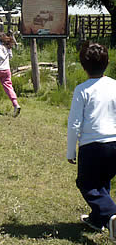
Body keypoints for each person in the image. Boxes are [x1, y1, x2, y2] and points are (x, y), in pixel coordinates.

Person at [67, 41, 116, 239]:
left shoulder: (82, 90)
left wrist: (71, 151)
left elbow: (74, 124)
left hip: (92, 145)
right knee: (102, 181)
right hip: (114, 143)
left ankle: (112, 215)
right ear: (108, 61)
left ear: (83, 66)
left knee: (87, 183)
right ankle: (98, 219)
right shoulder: (114, 85)